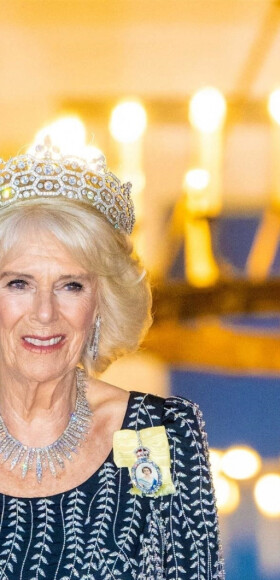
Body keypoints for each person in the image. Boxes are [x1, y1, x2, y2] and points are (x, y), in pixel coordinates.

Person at [0, 140, 225, 579]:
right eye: (19, 283)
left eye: (71, 286)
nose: (45, 313)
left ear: (101, 304)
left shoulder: (154, 434)